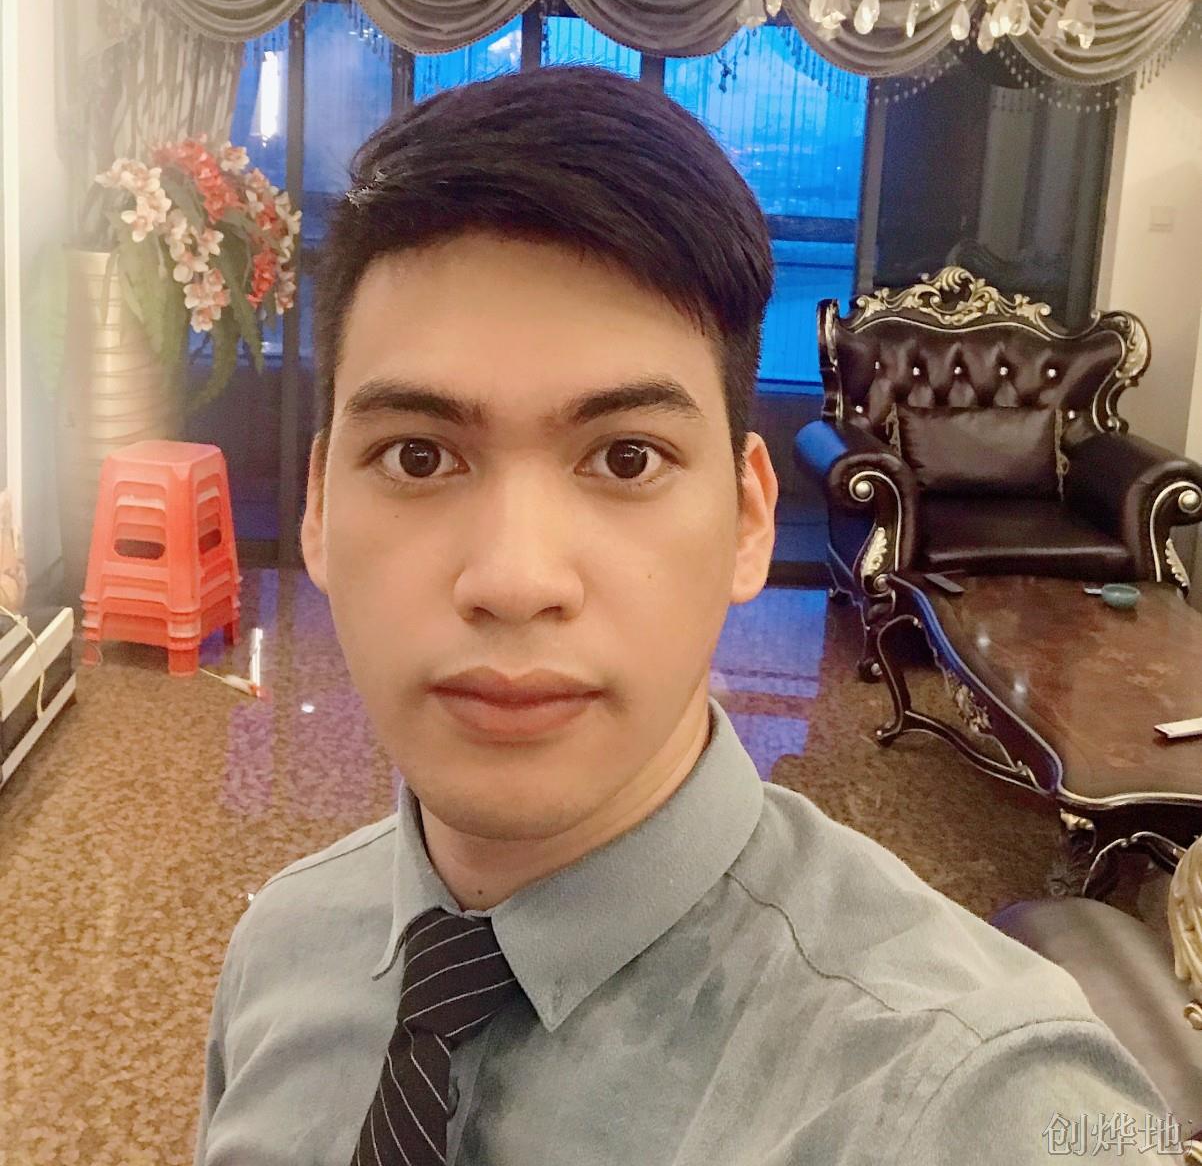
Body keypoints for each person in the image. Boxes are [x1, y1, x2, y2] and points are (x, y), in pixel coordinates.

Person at [194, 65, 1181, 1165]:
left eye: (627, 458)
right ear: (319, 507)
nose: (515, 580)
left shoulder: (975, 1102)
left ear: (750, 519)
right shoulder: (280, 949)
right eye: (418, 457)